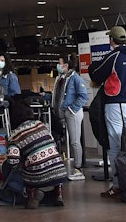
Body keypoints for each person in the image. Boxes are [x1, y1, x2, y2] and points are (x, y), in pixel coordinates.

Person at [0, 98, 67, 208]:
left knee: (10, 166)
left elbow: (13, 160)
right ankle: (58, 193)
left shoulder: (15, 135)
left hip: (37, 175)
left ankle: (32, 196)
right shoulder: (40, 125)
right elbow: (53, 142)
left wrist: (20, 162)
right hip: (59, 170)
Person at [89, 26, 126, 197]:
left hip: (116, 104)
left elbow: (96, 73)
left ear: (112, 40)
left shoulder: (114, 56)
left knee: (115, 146)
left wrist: (92, 67)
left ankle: (117, 186)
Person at [51, 53, 88, 181]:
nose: (58, 65)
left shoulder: (75, 78)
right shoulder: (61, 78)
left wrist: (72, 109)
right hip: (63, 113)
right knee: (70, 141)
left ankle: (78, 168)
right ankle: (74, 167)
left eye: (60, 63)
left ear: (66, 65)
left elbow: (83, 96)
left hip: (73, 113)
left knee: (75, 141)